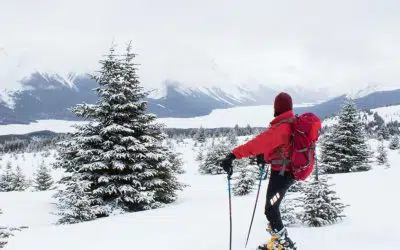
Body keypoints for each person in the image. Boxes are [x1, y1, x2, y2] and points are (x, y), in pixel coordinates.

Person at [221, 92, 297, 250]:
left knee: (271, 209)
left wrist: (233, 155)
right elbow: (281, 147)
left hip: (282, 175)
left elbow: (256, 144)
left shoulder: (282, 127)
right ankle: (279, 243)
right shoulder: (290, 122)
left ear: (277, 108)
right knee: (271, 208)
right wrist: (266, 156)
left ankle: (284, 245)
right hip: (284, 173)